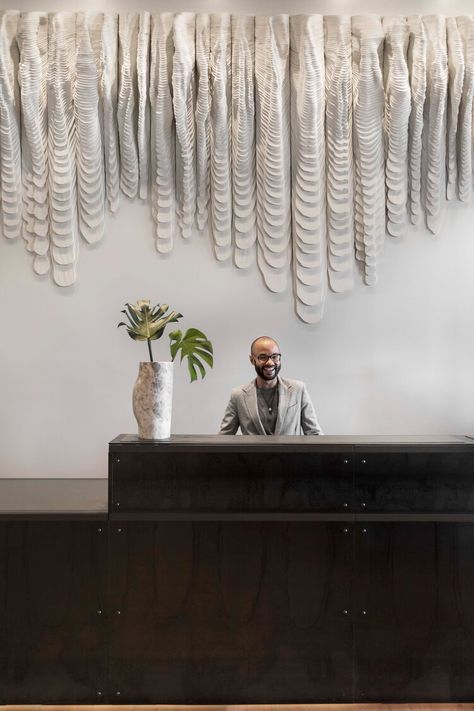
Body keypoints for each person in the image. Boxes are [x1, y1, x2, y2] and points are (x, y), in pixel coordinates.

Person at [219, 336, 323, 435]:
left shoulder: (298, 390)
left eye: (275, 357)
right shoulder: (238, 395)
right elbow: (225, 436)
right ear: (252, 360)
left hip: (291, 454)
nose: (270, 362)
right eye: (263, 357)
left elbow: (314, 433)